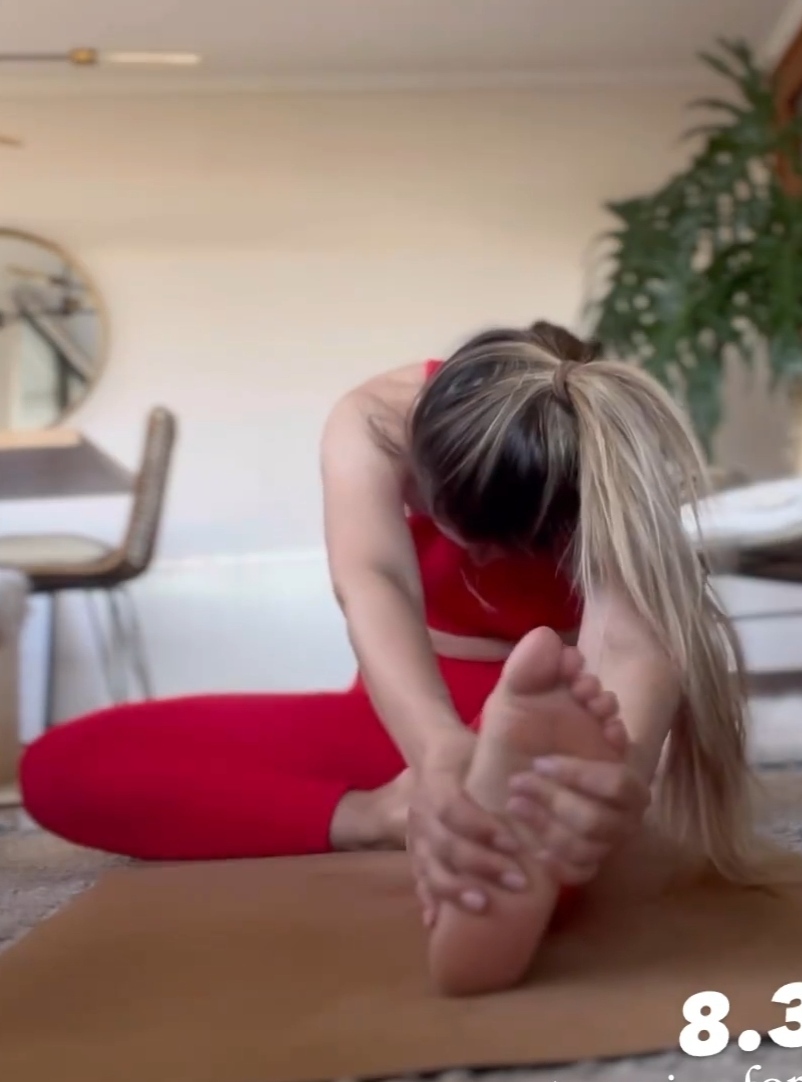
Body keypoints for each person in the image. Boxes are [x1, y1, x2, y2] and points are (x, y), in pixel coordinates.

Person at [19, 321, 757, 994]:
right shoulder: (374, 416)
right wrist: (435, 755)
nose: (483, 563)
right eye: (460, 530)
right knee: (58, 770)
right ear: (419, 460)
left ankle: (520, 832)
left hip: (569, 698)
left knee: (563, 811)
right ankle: (388, 814)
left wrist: (618, 781)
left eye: (511, 545)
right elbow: (374, 583)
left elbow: (627, 642)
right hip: (414, 711)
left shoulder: (604, 444)